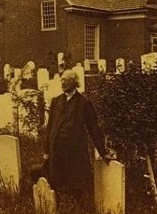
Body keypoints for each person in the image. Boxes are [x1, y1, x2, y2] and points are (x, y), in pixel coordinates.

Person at [43, 69, 112, 205]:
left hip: (74, 150)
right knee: (56, 180)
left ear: (74, 82)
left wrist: (103, 152)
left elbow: (93, 128)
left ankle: (77, 207)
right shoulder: (56, 102)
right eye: (61, 80)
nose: (62, 83)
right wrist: (46, 151)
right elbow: (50, 128)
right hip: (56, 148)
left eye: (66, 80)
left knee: (75, 182)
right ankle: (59, 206)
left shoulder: (84, 102)